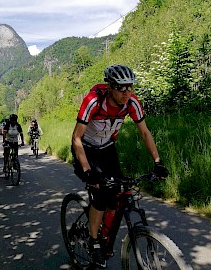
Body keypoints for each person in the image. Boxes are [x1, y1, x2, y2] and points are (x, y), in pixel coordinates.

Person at [71, 64, 169, 268]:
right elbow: (76, 138)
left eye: (130, 87)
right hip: (86, 149)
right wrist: (88, 171)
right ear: (110, 87)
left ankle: (104, 230)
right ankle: (93, 240)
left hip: (107, 148)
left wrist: (158, 162)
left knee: (118, 193)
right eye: (121, 88)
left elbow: (145, 133)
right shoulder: (93, 101)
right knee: (99, 193)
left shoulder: (131, 103)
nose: (127, 93)